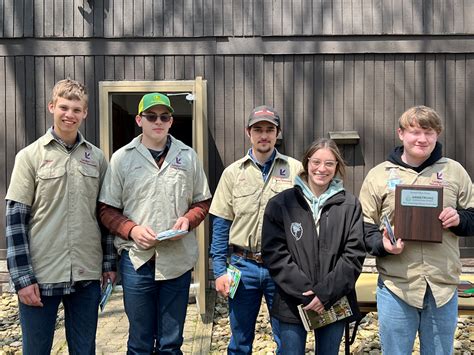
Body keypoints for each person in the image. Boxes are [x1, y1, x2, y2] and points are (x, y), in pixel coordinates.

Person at [5, 78, 117, 354]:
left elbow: (105, 216)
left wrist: (109, 264)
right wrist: (22, 278)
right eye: (64, 107)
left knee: (84, 350)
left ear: (85, 113)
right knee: (37, 350)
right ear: (51, 107)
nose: (70, 115)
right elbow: (16, 220)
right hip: (41, 276)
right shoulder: (29, 157)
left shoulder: (97, 159)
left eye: (77, 109)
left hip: (86, 275)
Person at [98, 92, 211, 354]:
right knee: (140, 342)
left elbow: (202, 202)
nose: (157, 121)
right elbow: (106, 209)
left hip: (177, 260)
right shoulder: (122, 158)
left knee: (171, 343)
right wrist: (132, 230)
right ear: (139, 120)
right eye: (151, 116)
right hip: (137, 261)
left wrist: (187, 220)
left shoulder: (188, 156)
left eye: (164, 116)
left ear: (171, 121)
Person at [359, 105, 474, 355]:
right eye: (415, 132)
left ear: (437, 135)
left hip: (442, 288)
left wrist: (460, 219)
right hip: (396, 287)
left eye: (429, 132)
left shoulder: (454, 172)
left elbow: (473, 217)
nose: (422, 139)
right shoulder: (378, 175)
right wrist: (383, 246)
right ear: (401, 134)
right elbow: (364, 228)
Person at [209, 105, 302, 354]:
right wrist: (218, 270)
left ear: (277, 133)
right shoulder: (232, 173)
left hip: (281, 265)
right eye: (258, 129)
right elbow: (221, 223)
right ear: (248, 132)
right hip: (242, 266)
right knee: (239, 342)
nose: (264, 135)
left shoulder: (296, 170)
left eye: (269, 130)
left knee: (288, 340)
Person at [261, 138, 366, 355]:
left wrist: (325, 293)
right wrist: (307, 294)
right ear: (306, 162)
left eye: (329, 163)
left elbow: (354, 254)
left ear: (337, 166)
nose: (322, 169)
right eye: (316, 161)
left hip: (334, 299)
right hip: (292, 300)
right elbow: (274, 254)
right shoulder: (281, 204)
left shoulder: (349, 204)